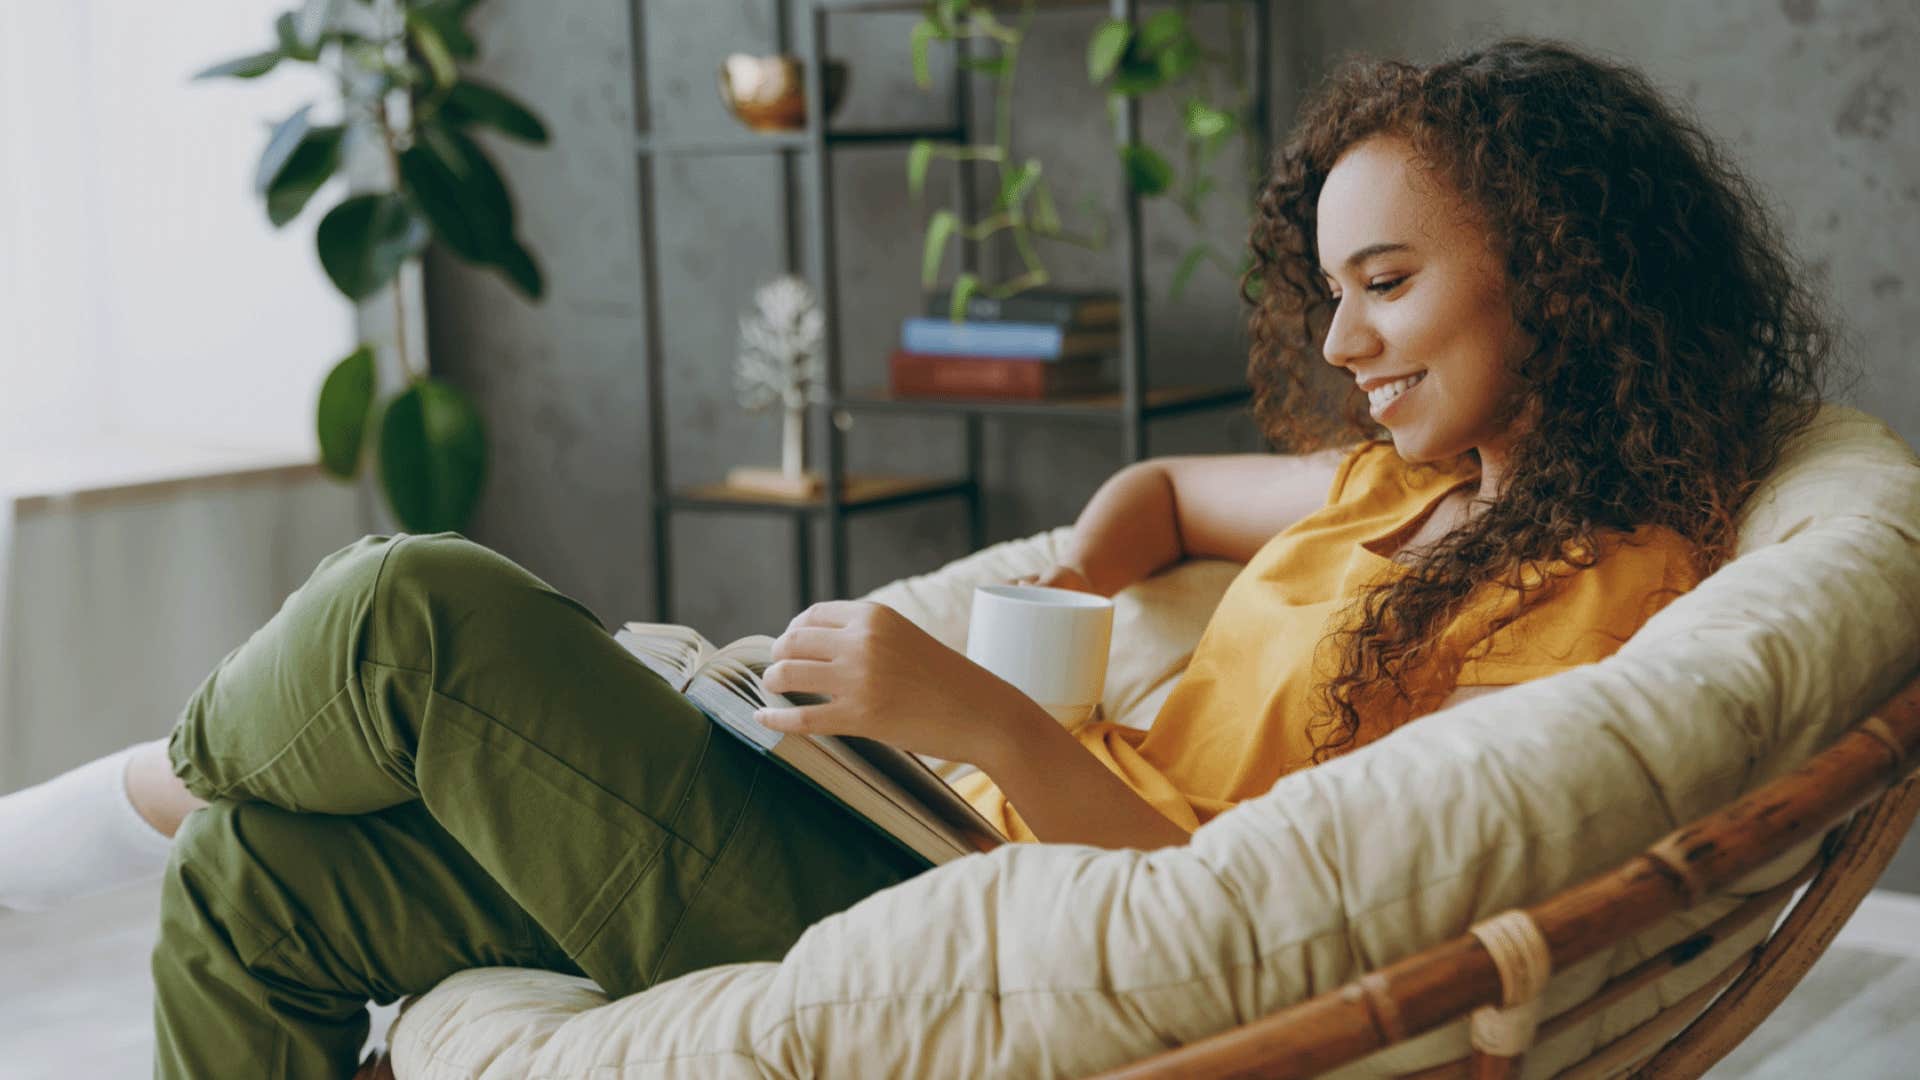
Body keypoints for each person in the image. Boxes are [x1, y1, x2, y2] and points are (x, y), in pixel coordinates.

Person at [0, 37, 1833, 1079]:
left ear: (1567, 270)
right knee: (265, 882)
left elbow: (1273, 923)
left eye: (1390, 285)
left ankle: (89, 814)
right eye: (1331, 289)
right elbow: (1173, 496)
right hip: (918, 827)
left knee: (419, 611)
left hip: (987, 927)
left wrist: (983, 712)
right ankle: (180, 812)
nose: (1344, 347)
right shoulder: (1403, 488)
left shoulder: (1593, 586)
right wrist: (1095, 591)